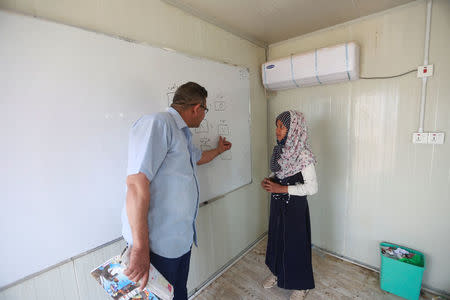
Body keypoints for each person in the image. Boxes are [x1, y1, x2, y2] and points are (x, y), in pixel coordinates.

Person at [121, 82, 232, 300]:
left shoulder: (182, 135)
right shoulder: (158, 123)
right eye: (205, 111)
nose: (203, 116)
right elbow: (135, 184)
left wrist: (219, 151)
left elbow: (197, 158)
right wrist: (140, 248)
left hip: (179, 240)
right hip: (156, 246)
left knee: (177, 293)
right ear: (197, 108)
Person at [261, 110, 318, 300]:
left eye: (282, 127)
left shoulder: (303, 155)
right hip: (278, 206)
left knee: (296, 245)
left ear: (294, 129)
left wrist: (282, 189)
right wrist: (269, 181)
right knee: (277, 240)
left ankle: (301, 285)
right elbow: (280, 176)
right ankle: (278, 274)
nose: (277, 131)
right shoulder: (280, 151)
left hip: (295, 209)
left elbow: (312, 188)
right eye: (276, 126)